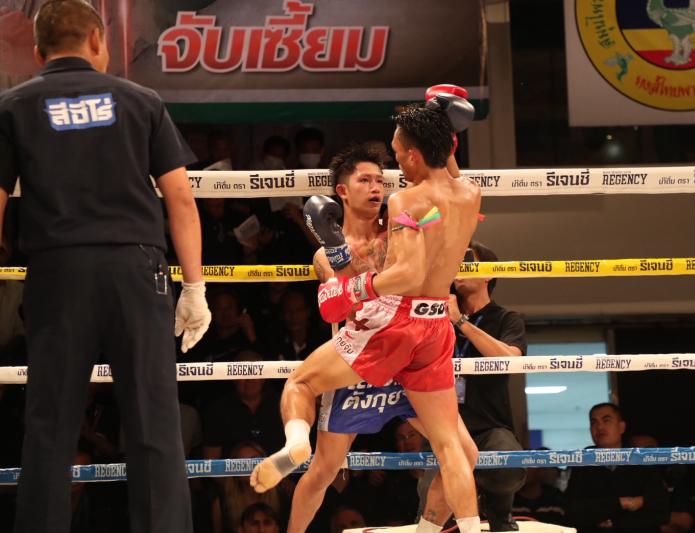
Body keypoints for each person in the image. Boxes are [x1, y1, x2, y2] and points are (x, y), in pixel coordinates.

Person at [0, 2, 212, 532]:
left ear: (38, 51)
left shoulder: (14, 105)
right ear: (98, 41)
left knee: (49, 425)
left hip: (57, 274)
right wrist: (195, 287)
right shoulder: (141, 100)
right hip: (135, 271)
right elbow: (181, 200)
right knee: (154, 422)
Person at [250, 99, 482, 533]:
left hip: (397, 332)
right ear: (342, 191)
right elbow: (336, 304)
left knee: (462, 451)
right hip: (390, 345)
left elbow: (407, 268)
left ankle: (428, 529)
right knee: (325, 468)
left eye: (383, 176)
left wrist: (436, 128)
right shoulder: (334, 250)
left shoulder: (406, 209)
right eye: (365, 180)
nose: (378, 186)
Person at [419, 240, 527, 531]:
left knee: (508, 466)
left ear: (488, 273)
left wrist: (461, 322)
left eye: (467, 262)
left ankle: (496, 509)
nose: (459, 269)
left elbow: (511, 360)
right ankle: (456, 508)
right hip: (445, 424)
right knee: (428, 498)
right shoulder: (434, 314)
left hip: (489, 426)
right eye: (455, 263)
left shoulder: (507, 319)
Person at [565, 403, 670, 532]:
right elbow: (573, 510)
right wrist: (622, 502)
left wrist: (615, 522)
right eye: (594, 423)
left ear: (621, 427)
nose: (599, 427)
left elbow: (661, 511)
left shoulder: (640, 460)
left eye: (606, 420)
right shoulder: (583, 462)